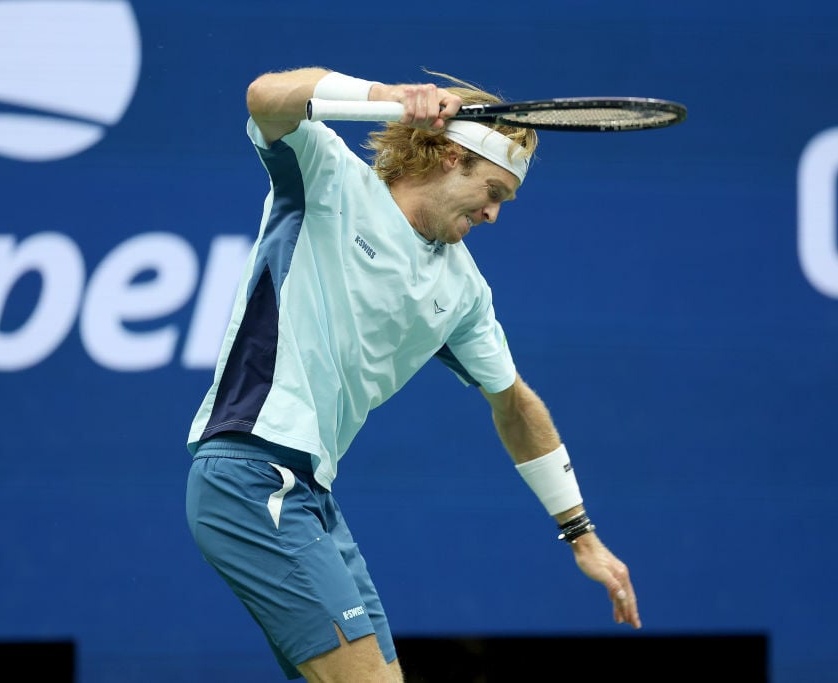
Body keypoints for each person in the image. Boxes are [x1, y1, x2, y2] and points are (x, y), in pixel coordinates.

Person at [185, 66, 641, 682]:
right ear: (451, 157)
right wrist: (389, 99)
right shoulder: (327, 177)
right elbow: (263, 96)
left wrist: (581, 534)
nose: (494, 215)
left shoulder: (464, 291)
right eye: (494, 192)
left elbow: (514, 406)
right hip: (250, 475)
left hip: (311, 496)